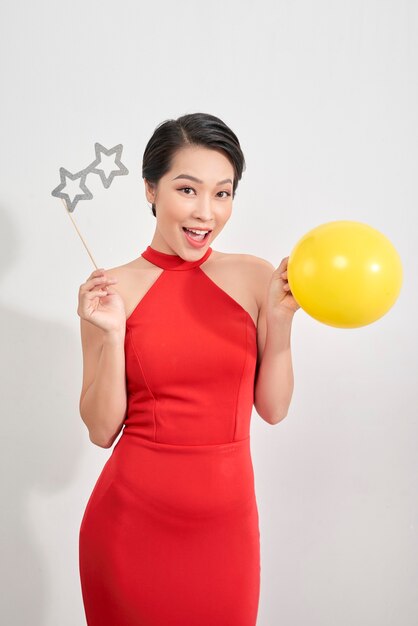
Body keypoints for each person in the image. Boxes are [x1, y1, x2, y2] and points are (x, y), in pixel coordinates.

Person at [77, 112, 300, 626]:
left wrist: (281, 321)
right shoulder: (111, 290)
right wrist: (111, 334)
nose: (206, 212)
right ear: (150, 190)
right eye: (187, 189)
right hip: (130, 529)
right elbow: (100, 428)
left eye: (223, 193)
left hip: (228, 533)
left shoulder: (253, 277)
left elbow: (273, 409)